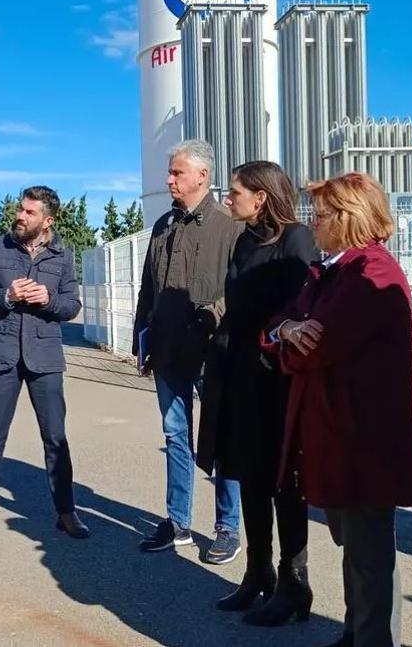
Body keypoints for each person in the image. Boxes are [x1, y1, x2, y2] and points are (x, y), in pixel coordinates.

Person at [263, 172, 412, 647]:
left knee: (370, 555)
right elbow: (279, 328)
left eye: (322, 214)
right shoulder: (333, 270)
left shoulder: (372, 272)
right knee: (355, 550)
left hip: (366, 442)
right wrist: (286, 329)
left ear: (349, 217)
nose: (313, 222)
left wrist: (288, 339)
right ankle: (357, 634)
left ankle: (373, 640)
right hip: (339, 437)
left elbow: (317, 348)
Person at [196, 161, 317, 624]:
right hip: (238, 375)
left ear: (261, 197)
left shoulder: (296, 240)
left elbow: (294, 308)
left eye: (235, 192)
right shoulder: (245, 240)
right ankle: (257, 574)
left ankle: (293, 586)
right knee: (247, 477)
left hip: (275, 380)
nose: (229, 198)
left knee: (284, 484)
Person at [0, 186, 90, 543]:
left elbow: (71, 305)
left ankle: (66, 512)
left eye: (29, 212)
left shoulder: (62, 254)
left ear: (47, 221)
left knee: (55, 438)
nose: (20, 216)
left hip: (44, 357)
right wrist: (7, 296)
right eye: (20, 209)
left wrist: (47, 299)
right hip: (1, 354)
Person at [132, 140, 244, 562]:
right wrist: (140, 339)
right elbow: (149, 289)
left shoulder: (229, 226)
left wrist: (211, 317)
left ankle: (227, 527)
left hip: (213, 352)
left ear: (203, 176)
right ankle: (177, 522)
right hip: (166, 351)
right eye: (169, 172)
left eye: (177, 173)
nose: (168, 180)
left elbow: (238, 288)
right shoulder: (163, 226)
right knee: (176, 436)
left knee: (222, 440)